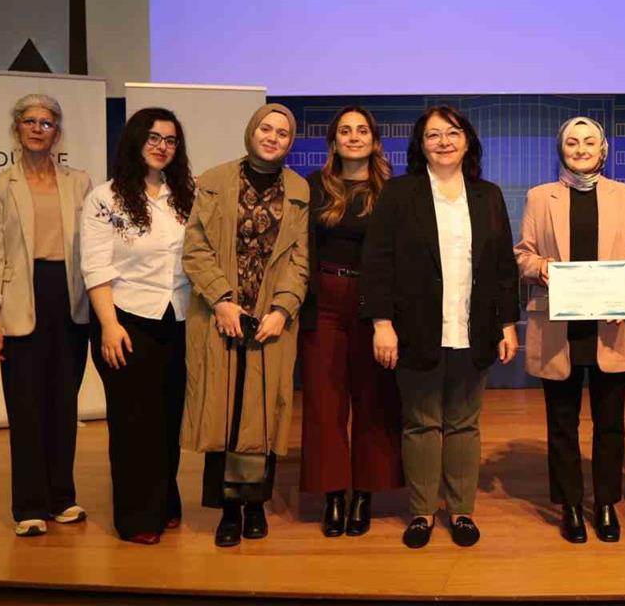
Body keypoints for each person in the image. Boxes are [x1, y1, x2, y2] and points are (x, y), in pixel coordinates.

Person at [359, 105, 520, 549]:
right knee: (422, 422)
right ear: (420, 145)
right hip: (415, 327)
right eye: (433, 135)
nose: (444, 141)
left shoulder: (487, 195)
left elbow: (503, 267)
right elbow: (377, 264)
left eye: (452, 133)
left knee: (464, 423)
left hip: (474, 327)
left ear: (467, 140)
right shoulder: (398, 194)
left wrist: (508, 322)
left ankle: (462, 509)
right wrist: (381, 323)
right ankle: (422, 511)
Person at [181, 103, 310, 548]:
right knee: (224, 411)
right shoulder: (214, 182)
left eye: (283, 133)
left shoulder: (299, 189)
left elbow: (299, 259)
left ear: (291, 142)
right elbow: (195, 249)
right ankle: (227, 510)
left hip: (271, 319)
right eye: (266, 129)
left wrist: (282, 308)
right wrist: (221, 300)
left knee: (259, 413)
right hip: (221, 314)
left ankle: (255, 503)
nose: (273, 137)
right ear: (251, 132)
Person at [513, 116, 625, 544]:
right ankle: (570, 504)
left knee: (611, 424)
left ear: (603, 150)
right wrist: (542, 267)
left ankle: (606, 503)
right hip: (560, 328)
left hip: (610, 325)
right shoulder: (540, 197)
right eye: (573, 142)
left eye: (590, 142)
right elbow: (522, 256)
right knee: (562, 424)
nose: (582, 148)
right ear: (562, 149)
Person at [0, 93, 92, 537]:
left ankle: (62, 497)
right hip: (20, 301)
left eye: (46, 123)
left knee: (63, 404)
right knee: (25, 407)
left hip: (70, 301)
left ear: (57, 132)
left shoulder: (79, 182)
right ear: (17, 129)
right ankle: (28, 504)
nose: (38, 128)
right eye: (30, 121)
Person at [80, 107, 195, 545]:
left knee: (168, 420)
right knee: (133, 424)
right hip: (125, 321)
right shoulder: (105, 198)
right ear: (134, 141)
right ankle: (135, 517)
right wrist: (108, 325)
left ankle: (165, 501)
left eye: (170, 139)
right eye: (153, 137)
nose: (162, 146)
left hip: (177, 319)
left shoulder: (186, 194)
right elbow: (95, 267)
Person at [298, 106, 403, 537]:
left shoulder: (394, 191)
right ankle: (333, 496)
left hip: (374, 302)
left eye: (362, 130)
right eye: (345, 130)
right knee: (325, 403)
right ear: (333, 141)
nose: (354, 137)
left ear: (375, 140)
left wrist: (389, 316)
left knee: (374, 400)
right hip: (324, 300)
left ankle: (364, 493)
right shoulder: (313, 187)